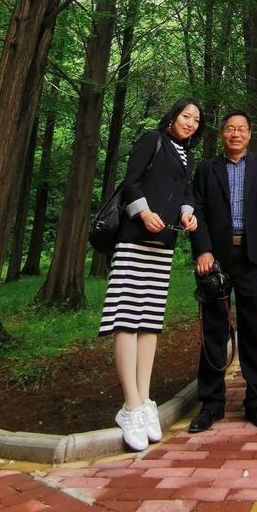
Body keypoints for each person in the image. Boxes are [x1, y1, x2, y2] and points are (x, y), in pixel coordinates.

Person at [99, 98, 202, 451]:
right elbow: (131, 182)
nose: (190, 123)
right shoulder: (152, 139)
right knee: (126, 318)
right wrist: (143, 214)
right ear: (172, 117)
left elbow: (186, 192)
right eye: (186, 116)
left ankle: (144, 401)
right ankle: (129, 405)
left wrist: (188, 213)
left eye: (196, 120)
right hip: (135, 240)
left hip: (164, 244)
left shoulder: (186, 154)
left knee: (150, 322)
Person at [188, 111, 257, 433]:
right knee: (213, 331)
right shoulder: (207, 169)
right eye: (229, 129)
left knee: (255, 331)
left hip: (252, 258)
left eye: (241, 129)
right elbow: (195, 209)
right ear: (222, 134)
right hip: (215, 260)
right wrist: (202, 250)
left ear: (250, 134)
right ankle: (211, 404)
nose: (235, 134)